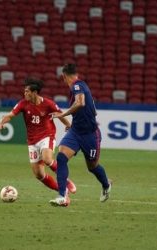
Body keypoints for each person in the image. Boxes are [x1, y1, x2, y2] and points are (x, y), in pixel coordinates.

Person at [0, 78, 77, 198]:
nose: (25, 94)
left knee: (47, 159)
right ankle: (62, 190)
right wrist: (2, 122)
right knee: (39, 175)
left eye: (27, 91)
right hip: (32, 141)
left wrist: (68, 125)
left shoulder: (48, 103)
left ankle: (66, 181)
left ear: (35, 93)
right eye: (24, 91)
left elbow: (59, 114)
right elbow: (10, 115)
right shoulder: (23, 103)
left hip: (47, 135)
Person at [49, 63, 112, 207]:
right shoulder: (82, 87)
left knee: (92, 166)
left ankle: (106, 184)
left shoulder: (77, 85)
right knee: (61, 157)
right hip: (76, 132)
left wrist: (63, 114)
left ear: (64, 76)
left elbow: (80, 103)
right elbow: (92, 111)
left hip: (90, 135)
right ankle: (61, 195)